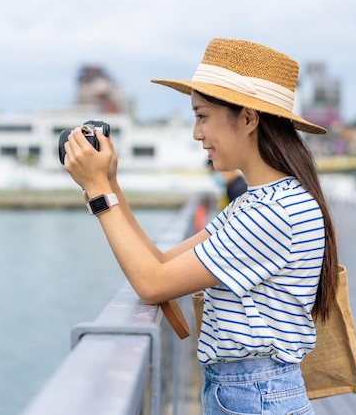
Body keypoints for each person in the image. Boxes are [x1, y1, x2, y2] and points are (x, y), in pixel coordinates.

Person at [63, 38, 338, 414]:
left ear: (247, 118)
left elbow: (152, 284)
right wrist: (110, 184)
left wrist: (97, 191)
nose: (197, 133)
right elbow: (158, 262)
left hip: (254, 397)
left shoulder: (274, 213)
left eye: (202, 115)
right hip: (245, 392)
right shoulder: (255, 203)